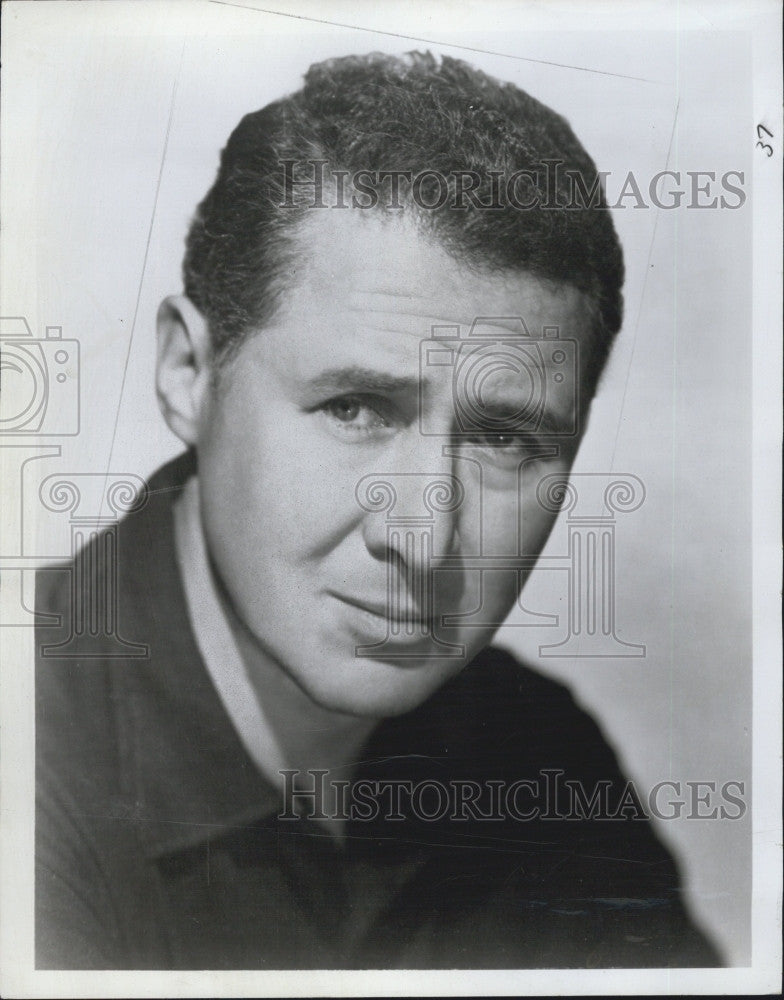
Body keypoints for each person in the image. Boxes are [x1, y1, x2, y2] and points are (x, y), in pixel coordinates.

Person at [35, 50, 721, 969]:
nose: (422, 534)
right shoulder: (28, 750)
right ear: (187, 375)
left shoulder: (540, 755)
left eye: (504, 440)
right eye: (354, 410)